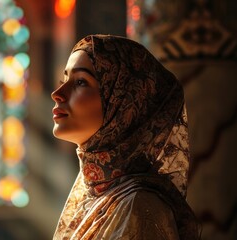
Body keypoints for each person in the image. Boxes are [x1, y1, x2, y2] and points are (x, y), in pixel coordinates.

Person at [51, 34, 200, 239]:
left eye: (80, 82)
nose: (58, 93)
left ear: (124, 103)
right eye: (64, 79)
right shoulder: (99, 193)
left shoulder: (140, 206)